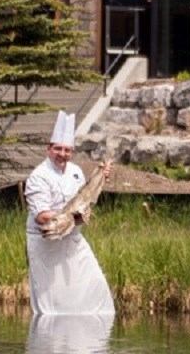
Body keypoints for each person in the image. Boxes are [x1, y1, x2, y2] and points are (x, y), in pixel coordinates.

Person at [25, 110, 115, 316]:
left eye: (67, 150)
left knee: (95, 288)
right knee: (52, 304)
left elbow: (85, 198)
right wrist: (74, 217)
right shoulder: (38, 176)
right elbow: (42, 216)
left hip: (73, 240)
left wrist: (101, 176)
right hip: (46, 243)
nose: (62, 154)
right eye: (58, 149)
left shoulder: (75, 171)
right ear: (49, 149)